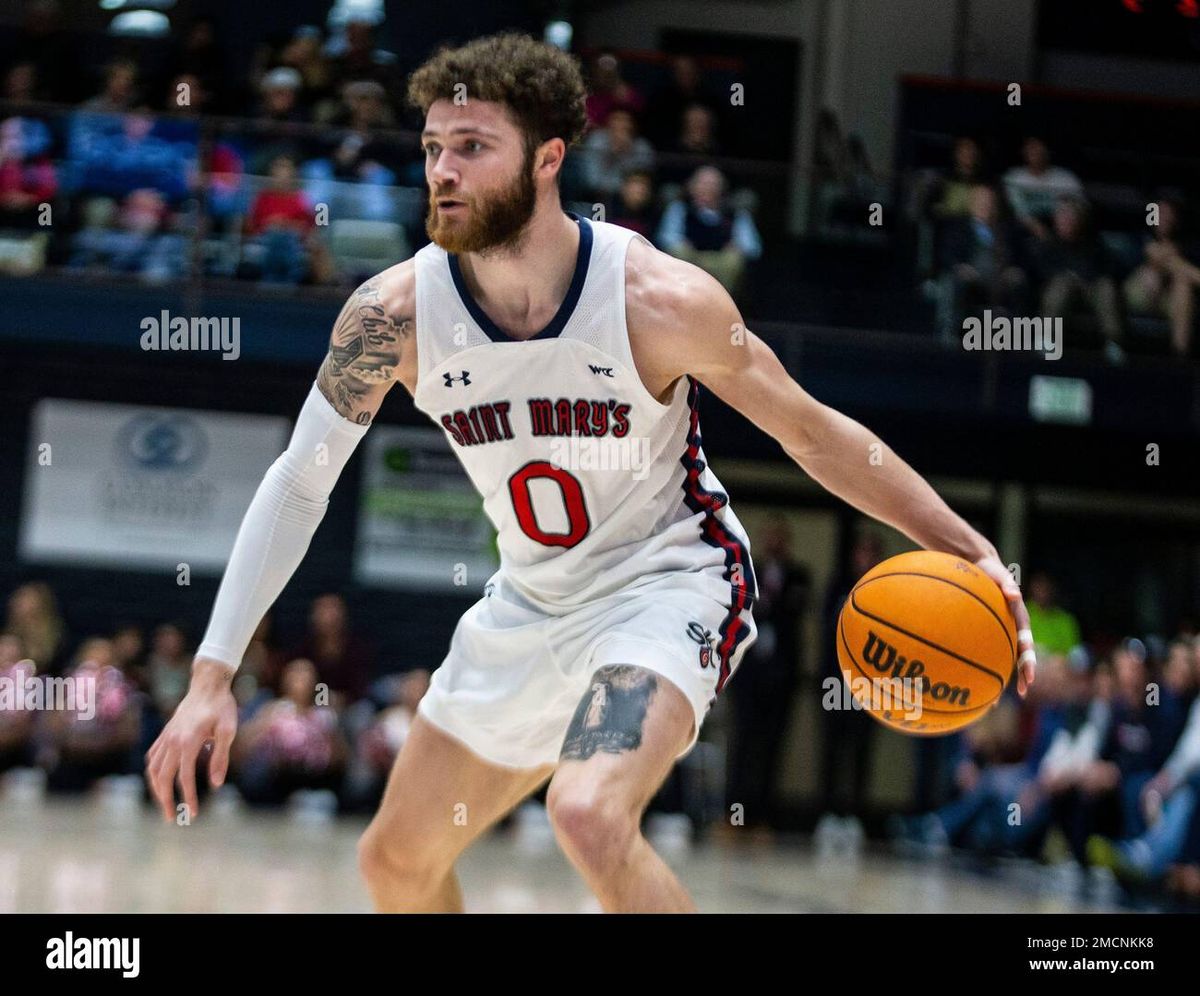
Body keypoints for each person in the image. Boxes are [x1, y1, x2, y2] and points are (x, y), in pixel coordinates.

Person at [146, 32, 1035, 914]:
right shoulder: (393, 317)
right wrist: (213, 676)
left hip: (666, 584)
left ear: (548, 158)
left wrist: (970, 548)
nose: (441, 171)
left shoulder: (656, 299)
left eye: (471, 147)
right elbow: (301, 481)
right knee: (394, 865)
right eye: (430, 149)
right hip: (531, 603)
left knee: (587, 813)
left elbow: (813, 433)